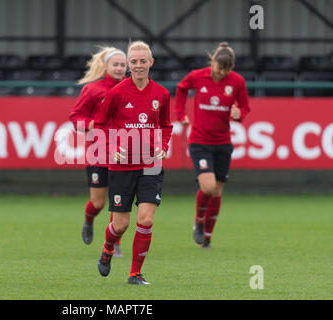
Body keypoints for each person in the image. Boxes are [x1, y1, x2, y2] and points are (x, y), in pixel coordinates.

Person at [95, 41, 173, 285]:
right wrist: (110, 148)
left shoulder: (161, 93)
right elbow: (99, 125)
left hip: (150, 164)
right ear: (128, 65)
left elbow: (166, 125)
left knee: (145, 220)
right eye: (134, 62)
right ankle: (108, 248)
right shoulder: (117, 92)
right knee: (120, 225)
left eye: (143, 61)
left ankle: (134, 273)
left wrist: (164, 145)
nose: (138, 66)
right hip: (122, 166)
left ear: (151, 62)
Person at [174, 42, 250, 249]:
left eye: (226, 68)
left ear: (231, 67)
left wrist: (239, 114)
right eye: (219, 66)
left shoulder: (237, 82)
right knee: (207, 187)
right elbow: (181, 89)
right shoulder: (198, 76)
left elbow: (244, 107)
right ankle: (198, 221)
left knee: (217, 192)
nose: (221, 71)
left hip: (223, 143)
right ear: (213, 61)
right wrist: (181, 114)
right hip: (199, 141)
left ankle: (207, 236)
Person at [69, 47, 127, 256]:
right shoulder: (93, 90)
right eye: (116, 64)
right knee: (98, 202)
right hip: (98, 152)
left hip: (123, 153)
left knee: (118, 201)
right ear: (105, 66)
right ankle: (89, 219)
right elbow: (76, 117)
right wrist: (90, 124)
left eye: (123, 65)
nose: (120, 68)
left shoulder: (132, 89)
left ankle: (114, 242)